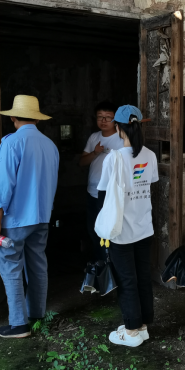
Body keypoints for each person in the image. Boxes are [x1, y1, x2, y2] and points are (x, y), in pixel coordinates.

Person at [0, 95, 59, 338]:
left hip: (16, 219)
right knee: (37, 264)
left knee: (10, 266)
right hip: (42, 217)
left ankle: (19, 324)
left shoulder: (11, 143)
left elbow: (3, 186)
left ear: (13, 118)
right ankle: (37, 314)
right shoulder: (50, 145)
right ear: (37, 119)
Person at [97, 105, 158, 347]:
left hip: (121, 230)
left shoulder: (113, 158)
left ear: (118, 128)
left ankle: (131, 331)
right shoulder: (150, 156)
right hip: (144, 227)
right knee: (143, 276)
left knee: (126, 280)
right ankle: (143, 325)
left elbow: (103, 195)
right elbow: (149, 184)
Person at [80, 101, 124, 261]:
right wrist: (95, 152)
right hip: (92, 192)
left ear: (115, 120)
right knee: (93, 229)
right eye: (100, 117)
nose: (103, 121)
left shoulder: (121, 139)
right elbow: (82, 162)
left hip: (110, 194)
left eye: (108, 117)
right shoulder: (94, 137)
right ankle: (100, 264)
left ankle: (109, 263)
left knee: (109, 230)